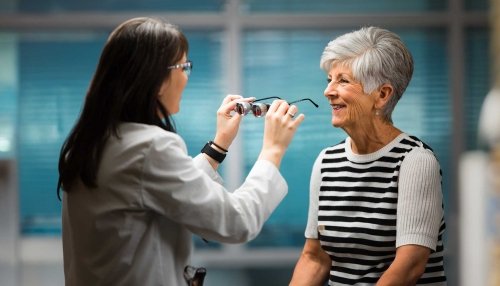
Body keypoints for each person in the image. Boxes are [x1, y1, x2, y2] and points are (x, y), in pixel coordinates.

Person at [57, 17, 304, 286]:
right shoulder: (148, 147)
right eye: (183, 66)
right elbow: (236, 222)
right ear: (157, 78)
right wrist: (273, 151)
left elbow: (159, 190)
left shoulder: (94, 143)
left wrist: (218, 145)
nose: (186, 77)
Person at [289, 26, 447, 285]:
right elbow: (315, 258)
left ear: (382, 95)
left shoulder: (415, 161)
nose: (328, 91)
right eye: (329, 79)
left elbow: (409, 266)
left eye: (342, 80)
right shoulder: (327, 161)